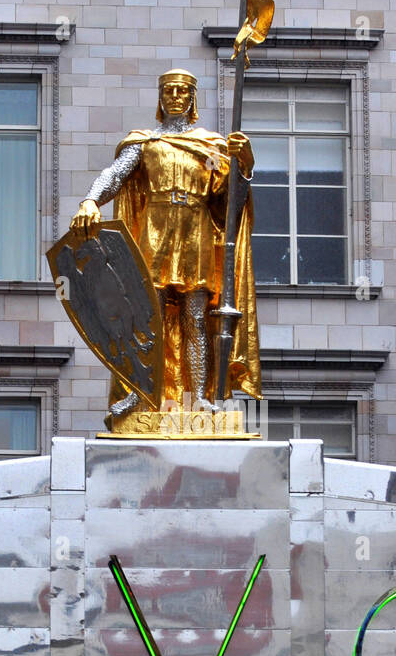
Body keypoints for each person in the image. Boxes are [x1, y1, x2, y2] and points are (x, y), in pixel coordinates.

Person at [71, 68, 260, 428]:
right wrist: (91, 200)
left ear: (192, 99)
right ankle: (141, 392)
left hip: (196, 229)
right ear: (160, 98)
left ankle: (200, 398)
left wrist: (244, 166)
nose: (175, 96)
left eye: (182, 91)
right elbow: (115, 175)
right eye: (168, 90)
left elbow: (229, 205)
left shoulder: (212, 146)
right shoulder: (145, 143)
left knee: (195, 319)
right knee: (147, 318)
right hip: (155, 231)